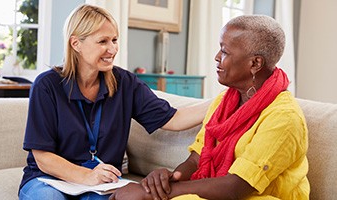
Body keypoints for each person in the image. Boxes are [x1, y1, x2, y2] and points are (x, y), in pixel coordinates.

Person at [18, 4, 210, 200]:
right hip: (49, 179)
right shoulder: (47, 85)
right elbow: (42, 157)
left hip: (101, 184)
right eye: (103, 41)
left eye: (115, 40)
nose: (112, 49)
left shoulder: (125, 83)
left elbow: (174, 119)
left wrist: (223, 100)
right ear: (76, 43)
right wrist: (87, 176)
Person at [109, 15, 309, 200]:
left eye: (224, 51)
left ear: (255, 63)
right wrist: (170, 179)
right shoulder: (224, 101)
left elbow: (236, 186)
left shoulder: (284, 117)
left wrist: (152, 194)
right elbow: (196, 160)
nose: (216, 57)